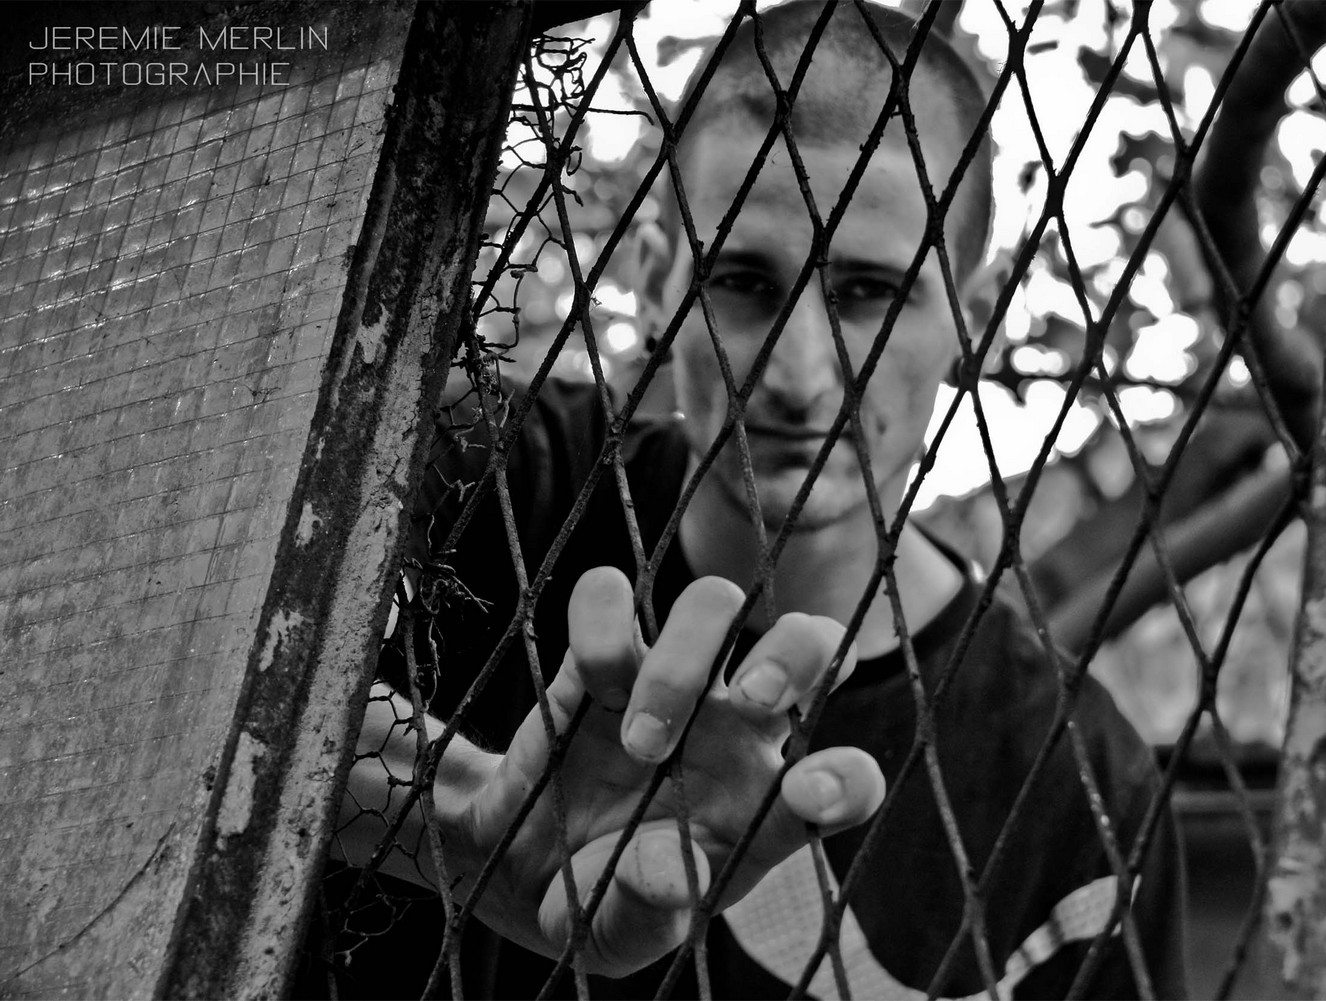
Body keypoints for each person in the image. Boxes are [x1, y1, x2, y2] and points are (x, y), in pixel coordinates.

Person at [300, 2, 1186, 998]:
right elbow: (182, 618)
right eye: (743, 282)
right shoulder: (484, 473)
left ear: (972, 321)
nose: (800, 376)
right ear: (655, 282)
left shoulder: (1080, 783)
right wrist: (467, 823)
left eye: (869, 293)